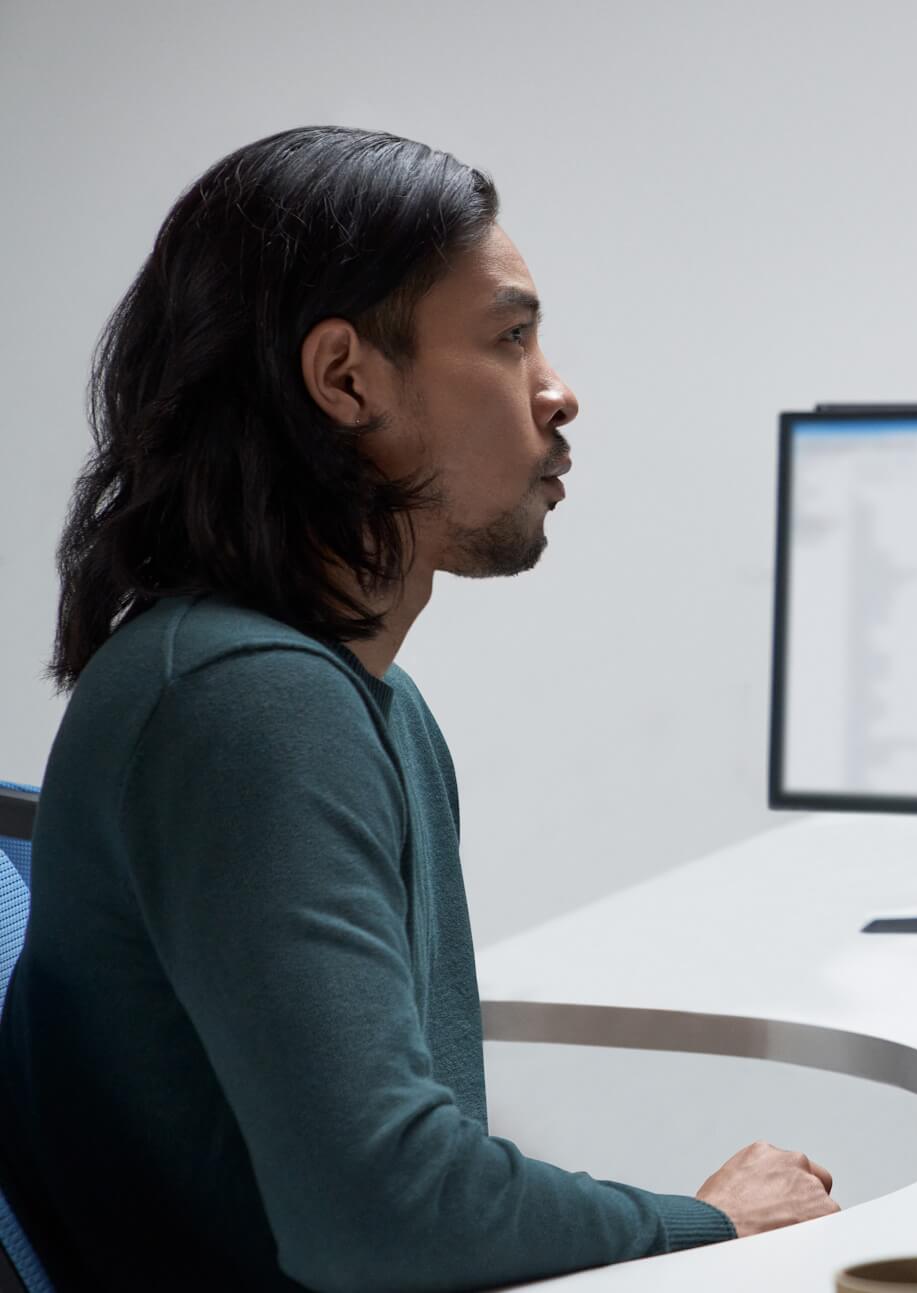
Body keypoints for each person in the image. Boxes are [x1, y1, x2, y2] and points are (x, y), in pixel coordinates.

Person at [0, 126, 837, 1290]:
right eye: (508, 338)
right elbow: (384, 1216)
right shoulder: (249, 708)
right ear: (346, 378)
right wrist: (703, 1224)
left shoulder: (342, 698)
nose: (559, 390)